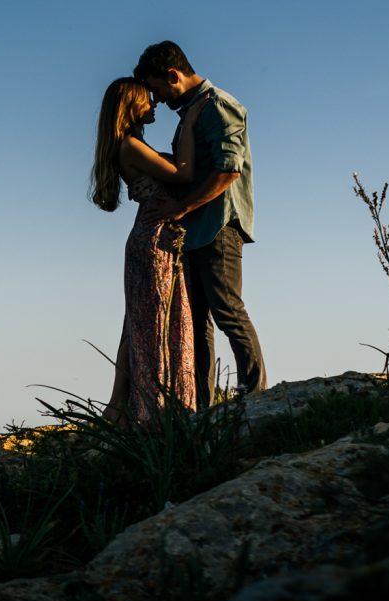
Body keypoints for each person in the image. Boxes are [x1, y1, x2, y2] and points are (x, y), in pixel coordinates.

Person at [134, 40, 266, 408]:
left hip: (219, 225)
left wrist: (181, 207)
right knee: (196, 323)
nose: (156, 99)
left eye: (158, 89)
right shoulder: (193, 112)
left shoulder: (218, 106)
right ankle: (203, 407)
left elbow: (229, 170)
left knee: (227, 311)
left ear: (174, 75)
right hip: (195, 228)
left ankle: (256, 398)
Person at [91, 77, 197, 423]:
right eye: (146, 100)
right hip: (153, 241)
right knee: (152, 323)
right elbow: (182, 175)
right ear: (132, 106)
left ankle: (119, 410)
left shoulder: (131, 145)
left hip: (150, 238)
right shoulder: (131, 147)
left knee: (139, 324)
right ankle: (152, 412)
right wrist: (191, 123)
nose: (153, 104)